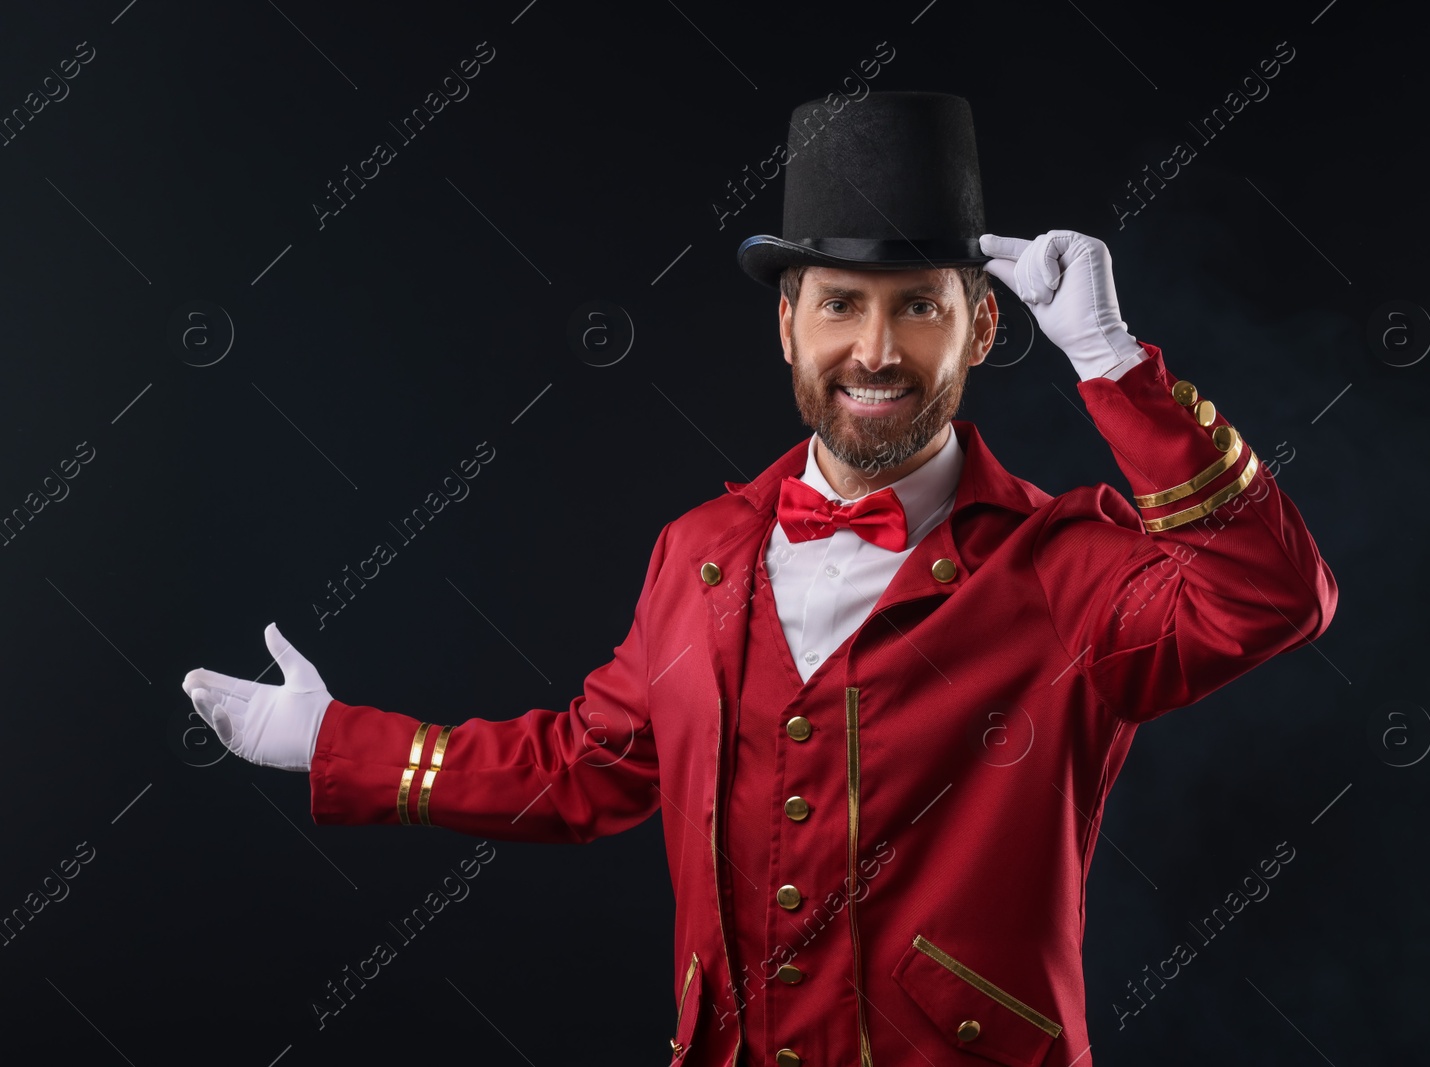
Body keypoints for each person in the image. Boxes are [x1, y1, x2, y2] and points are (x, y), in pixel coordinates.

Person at [182, 92, 1336, 1067]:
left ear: (982, 327)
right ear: (787, 324)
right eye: (839, 303)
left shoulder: (1066, 567)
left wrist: (1112, 362)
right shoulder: (699, 550)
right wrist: (332, 741)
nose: (875, 351)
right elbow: (585, 769)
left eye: (918, 308)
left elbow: (1272, 593)